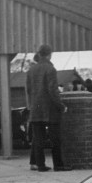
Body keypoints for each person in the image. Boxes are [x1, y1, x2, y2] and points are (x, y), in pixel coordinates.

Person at [26, 43, 71, 172]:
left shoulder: (31, 70)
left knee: (38, 138)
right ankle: (59, 165)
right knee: (55, 138)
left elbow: (29, 90)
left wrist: (32, 104)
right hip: (49, 108)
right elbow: (52, 90)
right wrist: (60, 105)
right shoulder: (50, 69)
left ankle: (40, 165)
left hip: (35, 108)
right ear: (50, 55)